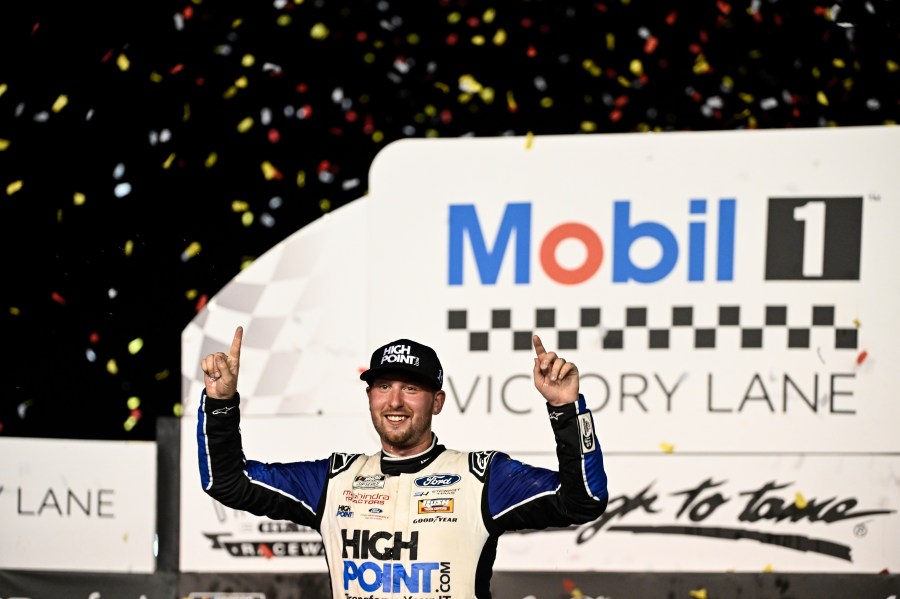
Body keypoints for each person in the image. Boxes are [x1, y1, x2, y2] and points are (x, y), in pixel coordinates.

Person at [197, 326, 608, 599]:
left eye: (411, 388)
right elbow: (227, 482)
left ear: (438, 401)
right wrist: (219, 403)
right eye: (383, 386)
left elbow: (583, 500)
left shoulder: (480, 476)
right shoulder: (334, 479)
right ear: (370, 397)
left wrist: (566, 409)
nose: (394, 401)